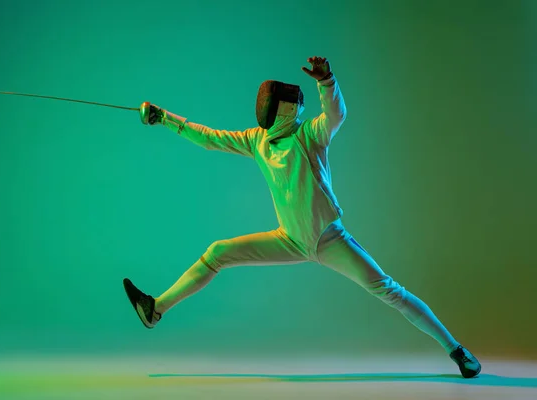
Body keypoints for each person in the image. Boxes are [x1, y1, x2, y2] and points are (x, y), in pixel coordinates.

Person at [123, 56, 481, 378]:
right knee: (218, 252)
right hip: (290, 240)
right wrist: (165, 118)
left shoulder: (309, 135)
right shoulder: (257, 140)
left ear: (283, 108)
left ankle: (456, 349)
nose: (263, 110)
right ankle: (156, 309)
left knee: (389, 291)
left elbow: (336, 116)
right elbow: (210, 139)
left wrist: (327, 83)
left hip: (329, 240)